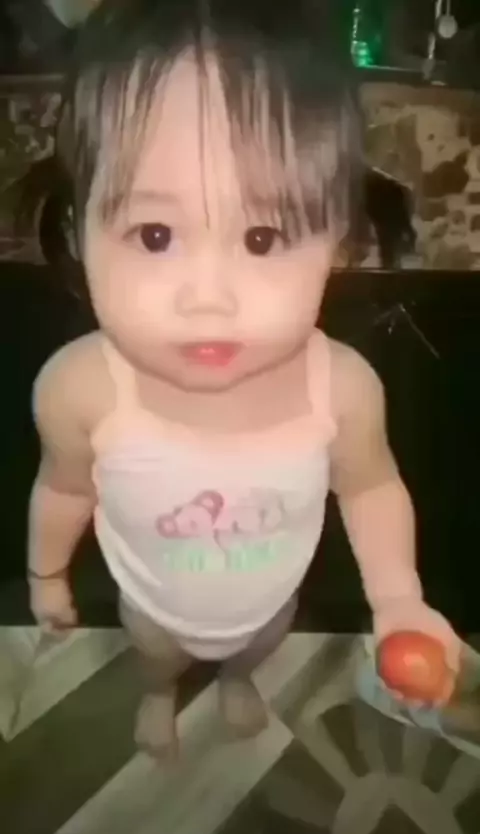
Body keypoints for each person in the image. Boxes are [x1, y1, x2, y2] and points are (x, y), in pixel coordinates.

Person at [28, 0, 460, 760]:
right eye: (154, 235)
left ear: (338, 242)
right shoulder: (80, 388)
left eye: (262, 237)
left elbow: (370, 487)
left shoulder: (342, 390)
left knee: (256, 647)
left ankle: (236, 679)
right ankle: (160, 694)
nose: (209, 298)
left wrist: (398, 596)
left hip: (269, 602)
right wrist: (46, 575)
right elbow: (64, 488)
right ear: (79, 232)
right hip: (152, 603)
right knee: (156, 654)